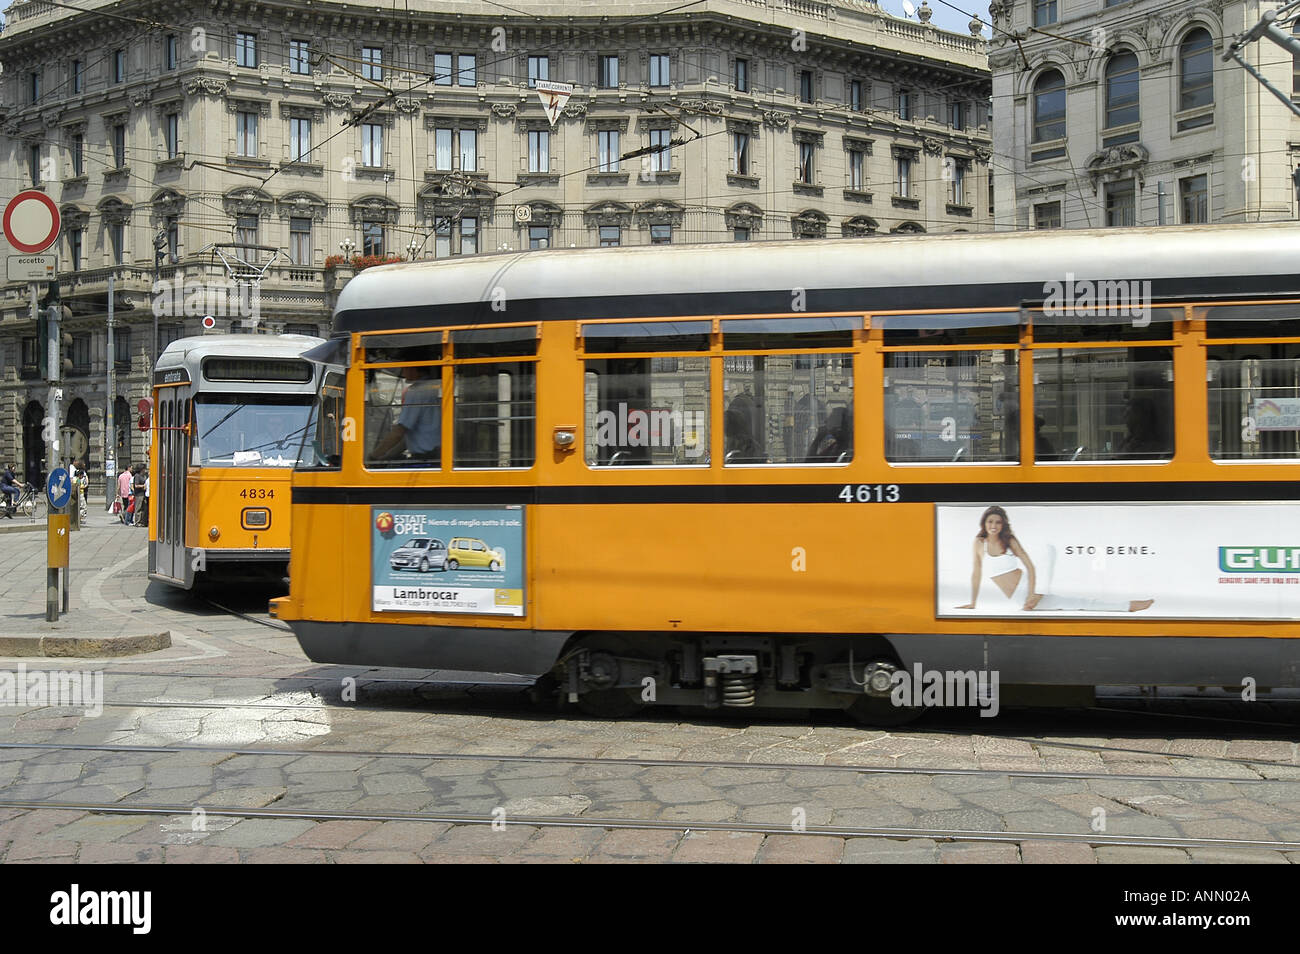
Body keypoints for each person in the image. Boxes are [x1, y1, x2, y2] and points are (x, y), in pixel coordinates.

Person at [955, 505, 1154, 613]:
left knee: (1049, 554)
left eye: (998, 522)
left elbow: (1030, 567)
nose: (994, 525)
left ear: (1003, 524)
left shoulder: (1010, 540)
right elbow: (976, 572)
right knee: (1079, 602)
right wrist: (972, 603)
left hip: (1030, 589)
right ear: (984, 523)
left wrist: (1035, 593)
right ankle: (1129, 605)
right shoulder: (979, 543)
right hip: (1021, 597)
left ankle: (1129, 605)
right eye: (990, 521)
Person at [371, 363, 440, 462]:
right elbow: (408, 437)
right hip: (436, 456)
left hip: (425, 459)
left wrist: (373, 456)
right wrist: (387, 456)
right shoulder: (433, 387)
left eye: (405, 367)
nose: (403, 372)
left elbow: (399, 432)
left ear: (414, 368)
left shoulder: (417, 391)